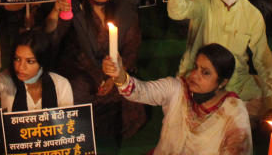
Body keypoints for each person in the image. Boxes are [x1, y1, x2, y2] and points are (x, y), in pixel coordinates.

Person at [169, 0, 272, 121]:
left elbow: (263, 60)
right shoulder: (203, 1)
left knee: (268, 103)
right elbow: (176, 12)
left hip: (237, 81)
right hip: (200, 78)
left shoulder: (252, 14)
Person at [46, 0, 145, 139]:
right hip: (80, 69)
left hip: (116, 69)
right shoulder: (75, 6)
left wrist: (114, 77)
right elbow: (53, 36)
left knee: (127, 93)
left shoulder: (125, 9)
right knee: (78, 90)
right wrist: (55, 12)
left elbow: (131, 49)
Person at [102, 43, 253, 155]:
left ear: (223, 82)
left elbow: (239, 151)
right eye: (196, 67)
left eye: (205, 73)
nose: (194, 75)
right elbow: (141, 91)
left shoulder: (234, 109)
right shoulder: (177, 88)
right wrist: (120, 75)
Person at [0, 31, 73, 112]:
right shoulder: (6, 80)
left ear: (42, 61)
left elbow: (67, 121)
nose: (21, 67)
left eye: (30, 61)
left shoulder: (61, 84)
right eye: (17, 59)